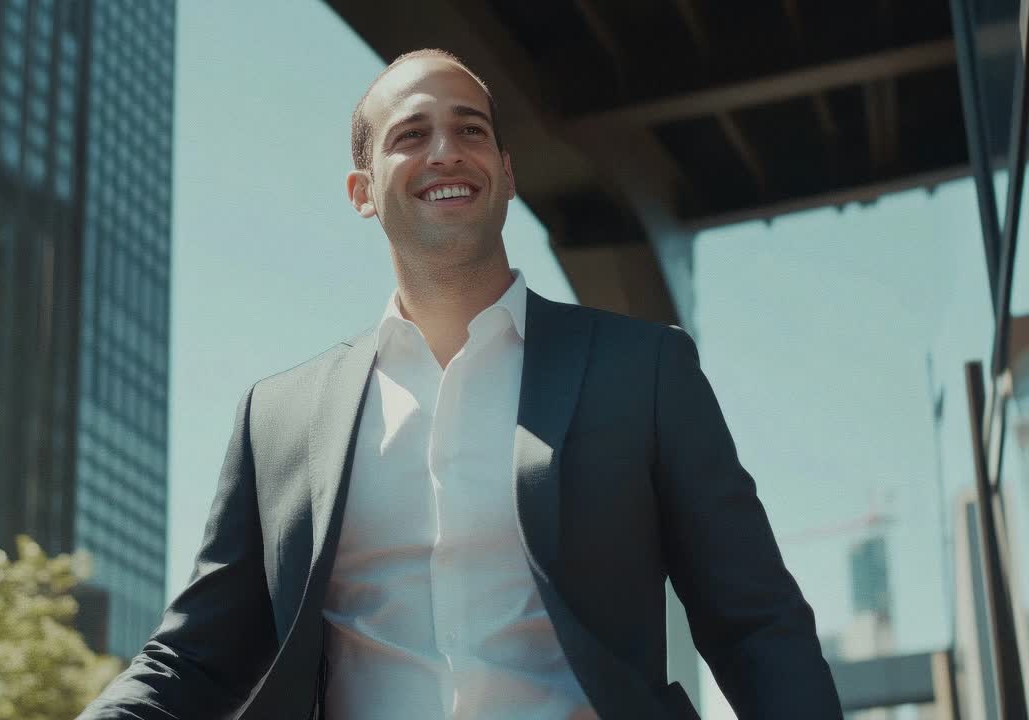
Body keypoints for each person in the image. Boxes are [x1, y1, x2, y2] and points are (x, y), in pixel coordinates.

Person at [77, 49, 842, 720]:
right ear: (362, 190)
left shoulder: (643, 372)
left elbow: (755, 624)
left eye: (472, 130)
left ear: (507, 174)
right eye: (412, 135)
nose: (447, 151)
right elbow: (195, 663)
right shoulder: (277, 418)